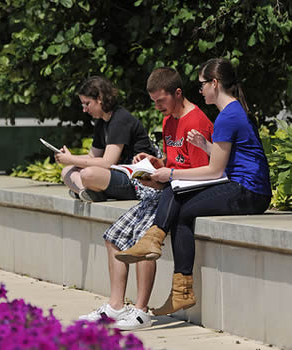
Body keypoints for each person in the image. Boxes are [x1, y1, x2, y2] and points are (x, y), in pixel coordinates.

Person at [116, 58, 272, 317]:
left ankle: (162, 253)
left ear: (214, 83)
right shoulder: (231, 112)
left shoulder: (227, 116)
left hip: (249, 193)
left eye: (202, 85)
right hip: (244, 186)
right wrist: (205, 146)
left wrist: (171, 173)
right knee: (181, 204)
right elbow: (228, 159)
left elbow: (214, 170)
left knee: (179, 198)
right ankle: (179, 287)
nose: (199, 91)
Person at [79, 67, 213, 330]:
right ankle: (116, 307)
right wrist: (153, 164)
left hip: (180, 194)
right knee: (113, 237)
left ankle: (141, 312)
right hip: (164, 189)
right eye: (154, 102)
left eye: (161, 101)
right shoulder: (169, 121)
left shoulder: (195, 121)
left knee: (142, 242)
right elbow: (174, 163)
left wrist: (164, 175)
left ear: (177, 93)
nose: (157, 107)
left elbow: (200, 174)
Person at [55, 75, 157, 202]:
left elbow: (108, 163)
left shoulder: (120, 120)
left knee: (88, 174)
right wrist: (68, 158)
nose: (84, 109)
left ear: (100, 99)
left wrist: (71, 159)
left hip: (136, 179)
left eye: (87, 104)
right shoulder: (102, 122)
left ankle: (87, 192)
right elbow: (92, 157)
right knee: (67, 172)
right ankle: (87, 192)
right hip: (118, 174)